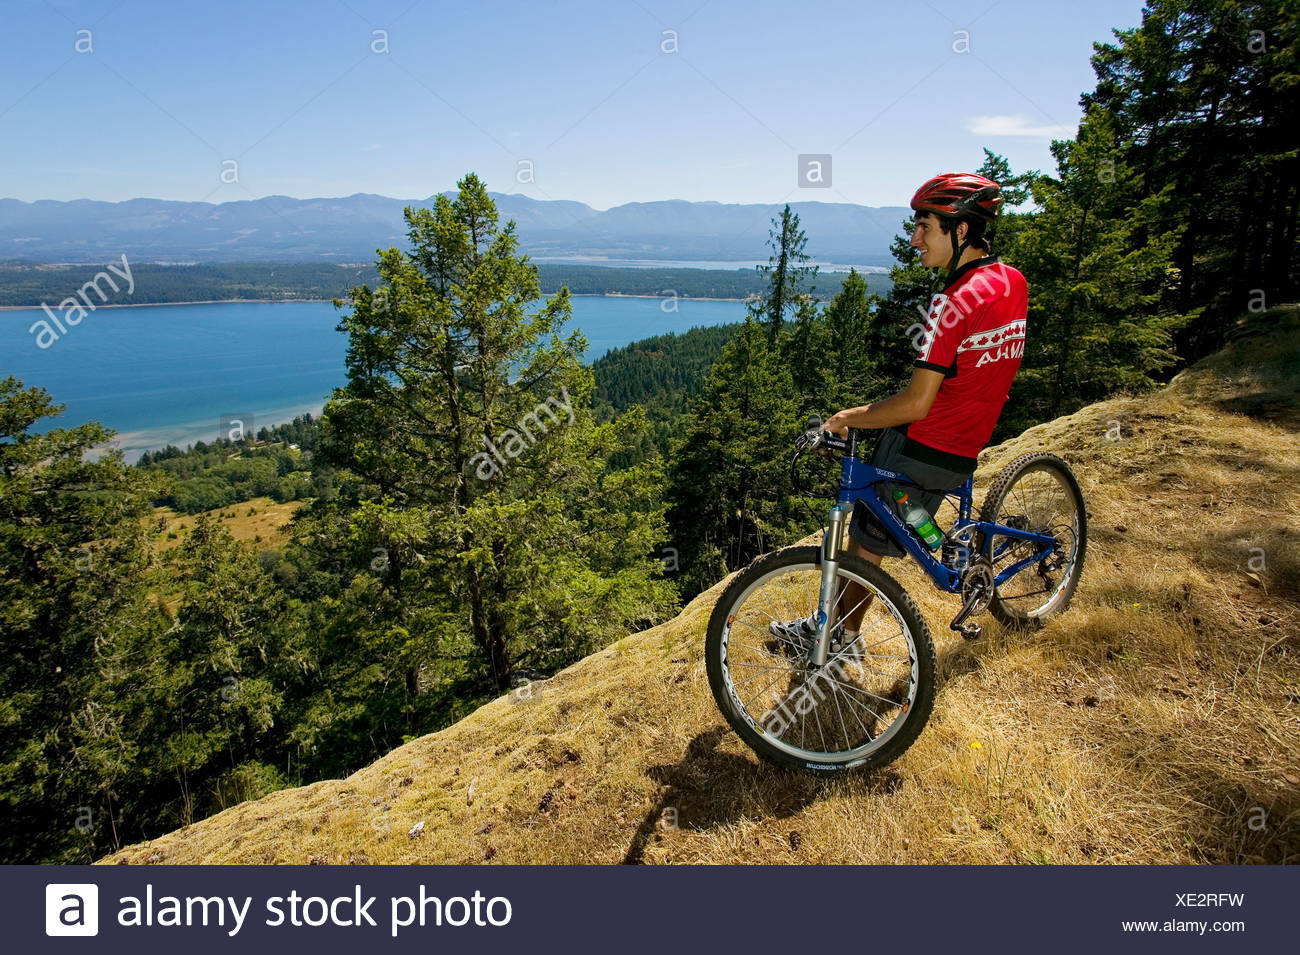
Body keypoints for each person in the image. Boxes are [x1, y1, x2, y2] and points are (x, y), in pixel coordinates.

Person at [769, 171, 1028, 651]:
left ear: (962, 230)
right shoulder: (1011, 282)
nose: (914, 240)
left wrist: (844, 418)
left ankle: (840, 634)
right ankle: (929, 539)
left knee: (866, 536)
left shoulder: (951, 303)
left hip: (927, 444)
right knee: (904, 518)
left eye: (925, 227)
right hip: (971, 439)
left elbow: (915, 403)